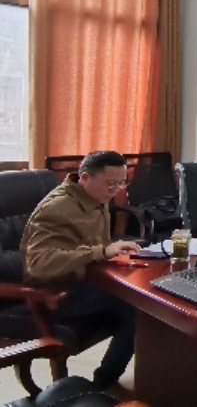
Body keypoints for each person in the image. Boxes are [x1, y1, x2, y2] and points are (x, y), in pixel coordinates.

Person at [20, 151, 140, 390]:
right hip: (56, 294)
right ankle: (102, 384)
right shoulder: (58, 208)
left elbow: (90, 247)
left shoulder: (94, 197)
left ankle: (113, 380)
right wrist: (101, 252)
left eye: (122, 182)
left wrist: (111, 252)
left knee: (142, 301)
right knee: (138, 305)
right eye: (110, 183)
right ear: (84, 178)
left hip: (84, 282)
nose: (116, 189)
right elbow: (40, 263)